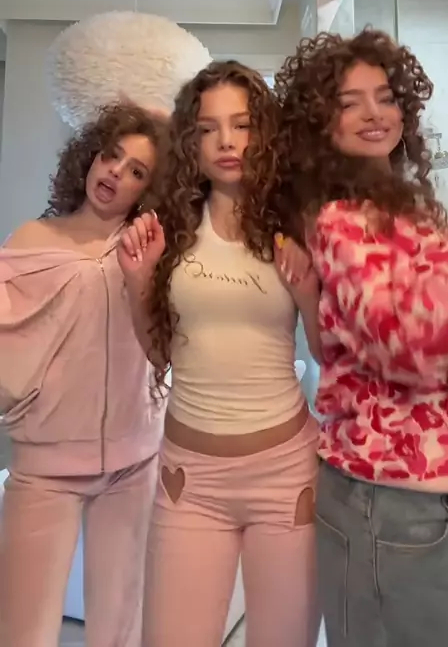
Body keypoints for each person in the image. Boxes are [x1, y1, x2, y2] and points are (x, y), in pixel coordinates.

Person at [274, 27, 448, 647]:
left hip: (441, 493)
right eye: (349, 102)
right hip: (396, 501)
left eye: (385, 97)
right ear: (321, 124)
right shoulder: (338, 220)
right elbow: (412, 347)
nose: (373, 113)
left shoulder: (417, 215)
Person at [118, 60, 322, 647]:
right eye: (209, 128)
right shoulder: (172, 228)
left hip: (286, 477)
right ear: (191, 140)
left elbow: (327, 353)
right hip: (189, 481)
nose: (227, 141)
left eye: (242, 124)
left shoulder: (296, 224)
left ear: (265, 134)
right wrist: (138, 281)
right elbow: (160, 354)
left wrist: (308, 292)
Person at [0, 103, 169, 647]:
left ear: (149, 189)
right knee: (23, 630)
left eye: (137, 170)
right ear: (91, 157)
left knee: (119, 631)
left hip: (134, 463)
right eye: (111, 155)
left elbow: (166, 349)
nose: (116, 172)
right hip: (44, 468)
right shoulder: (31, 239)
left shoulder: (152, 253)